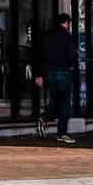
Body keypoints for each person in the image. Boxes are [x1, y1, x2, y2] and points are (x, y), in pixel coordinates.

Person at [35, 13, 79, 145]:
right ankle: (62, 133)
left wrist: (39, 75)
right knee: (65, 104)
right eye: (68, 23)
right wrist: (72, 66)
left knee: (55, 101)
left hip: (48, 74)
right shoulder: (66, 36)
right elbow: (71, 55)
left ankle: (44, 118)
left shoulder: (45, 36)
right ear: (66, 23)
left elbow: (38, 56)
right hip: (62, 73)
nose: (68, 25)